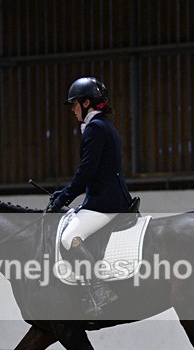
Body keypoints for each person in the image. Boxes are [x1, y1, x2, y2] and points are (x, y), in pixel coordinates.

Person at [46, 76, 132, 316]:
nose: (72, 110)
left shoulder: (95, 128)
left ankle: (98, 290)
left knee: (68, 238)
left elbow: (87, 171)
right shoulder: (105, 125)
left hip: (105, 202)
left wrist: (64, 197)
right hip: (109, 197)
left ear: (85, 104)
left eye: (74, 104)